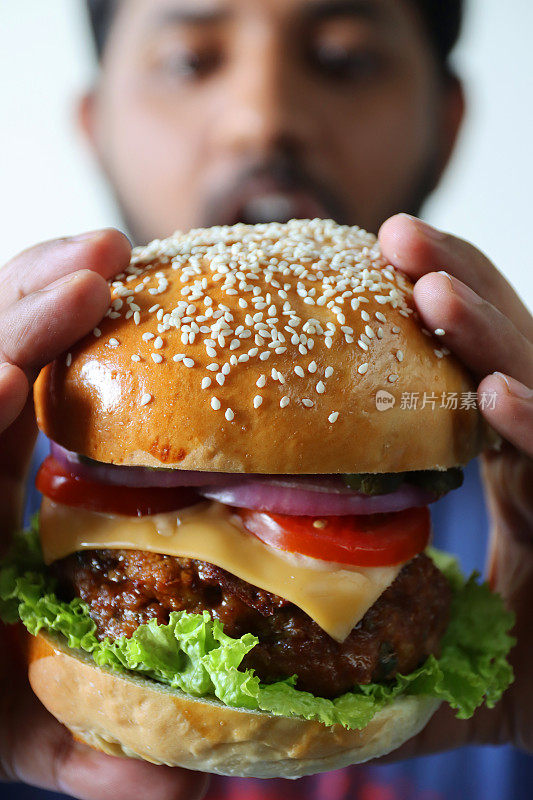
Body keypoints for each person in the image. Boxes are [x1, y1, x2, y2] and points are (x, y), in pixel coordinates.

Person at [1, 1, 532, 798]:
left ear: (446, 122)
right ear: (93, 120)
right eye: (189, 60)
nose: (262, 119)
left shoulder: (500, 493)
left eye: (345, 58)